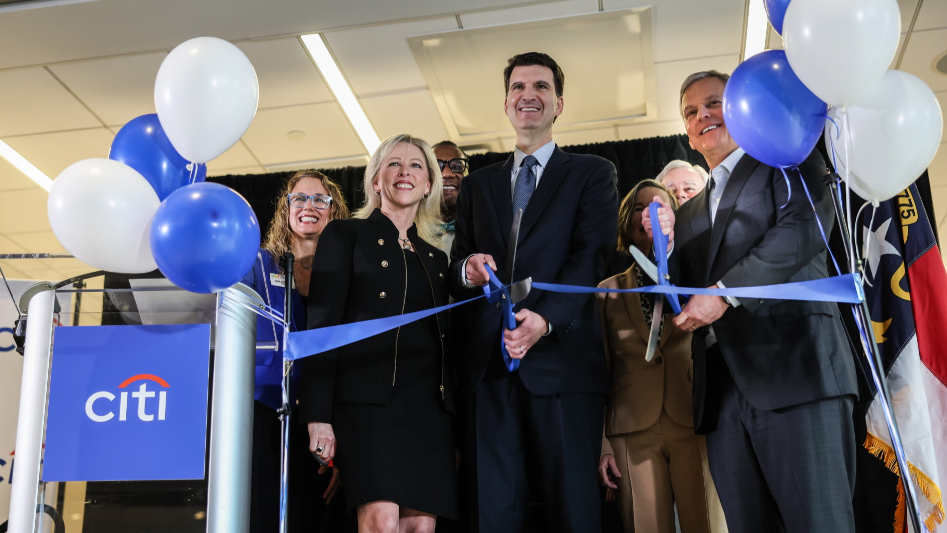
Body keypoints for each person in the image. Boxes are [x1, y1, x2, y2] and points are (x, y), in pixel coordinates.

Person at [644, 70, 858, 533]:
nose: (702, 115)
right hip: (722, 397)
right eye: (690, 112)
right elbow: (679, 301)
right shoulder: (689, 213)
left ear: (741, 107)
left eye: (713, 103)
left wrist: (724, 295)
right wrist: (661, 252)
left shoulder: (785, 158)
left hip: (797, 374)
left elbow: (803, 230)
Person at [448, 52, 618, 532]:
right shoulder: (477, 185)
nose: (529, 96)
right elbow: (458, 261)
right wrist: (468, 269)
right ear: (506, 104)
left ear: (558, 104)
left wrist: (543, 319)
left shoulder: (592, 172)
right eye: (519, 87)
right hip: (489, 369)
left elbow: (591, 256)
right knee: (493, 512)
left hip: (562, 364)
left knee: (573, 510)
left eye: (541, 87)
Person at [298, 134, 458, 533]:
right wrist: (318, 415)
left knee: (421, 526)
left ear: (428, 185)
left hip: (430, 412)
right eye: (393, 164)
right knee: (381, 522)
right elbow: (323, 328)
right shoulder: (344, 236)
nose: (405, 171)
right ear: (375, 181)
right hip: (368, 410)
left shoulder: (437, 259)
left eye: (416, 166)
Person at [596, 179, 726, 533]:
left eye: (659, 205)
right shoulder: (605, 291)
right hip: (630, 429)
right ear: (627, 220)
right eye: (639, 208)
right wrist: (603, 443)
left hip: (692, 420)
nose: (649, 214)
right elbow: (599, 369)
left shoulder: (698, 279)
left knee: (709, 525)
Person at [242, 170, 349, 532]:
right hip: (263, 415)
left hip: (325, 423)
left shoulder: (347, 274)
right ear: (285, 209)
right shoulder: (256, 264)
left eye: (320, 199)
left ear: (333, 211)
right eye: (299, 198)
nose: (309, 206)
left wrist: (345, 452)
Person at [433, 140, 469, 256]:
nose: (447, 174)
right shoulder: (407, 231)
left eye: (458, 166)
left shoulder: (484, 228)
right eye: (437, 166)